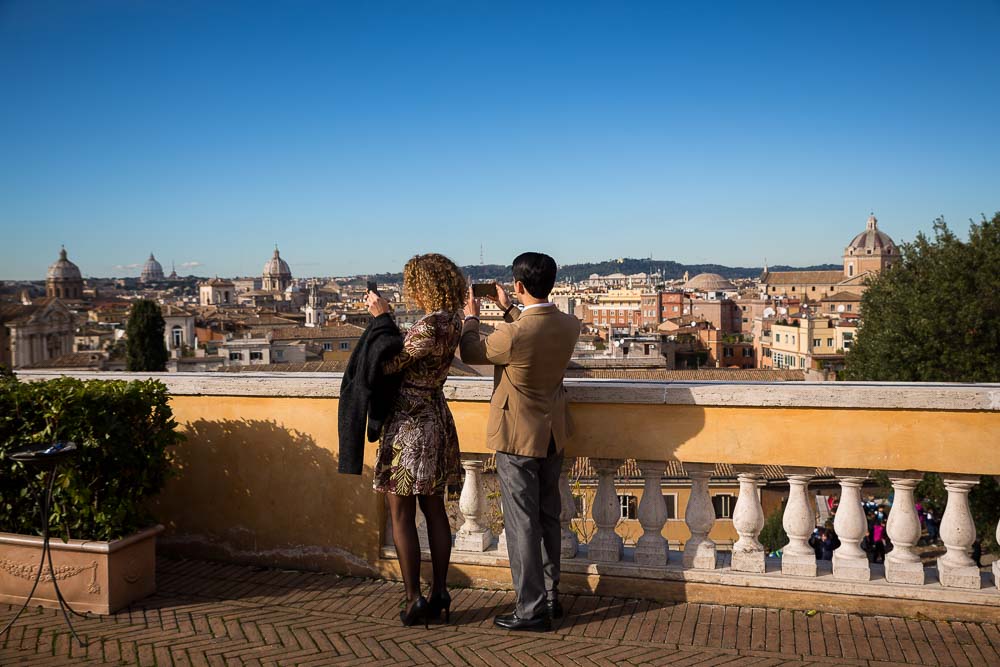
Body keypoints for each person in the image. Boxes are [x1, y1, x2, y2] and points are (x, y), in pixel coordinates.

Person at [460, 252, 580, 633]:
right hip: (552, 434)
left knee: (521, 524)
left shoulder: (512, 335)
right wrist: (511, 308)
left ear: (518, 285)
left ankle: (530, 610)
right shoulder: (570, 325)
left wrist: (471, 317)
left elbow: (472, 351)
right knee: (547, 517)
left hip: (516, 437)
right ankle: (550, 595)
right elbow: (532, 336)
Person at [366, 253, 466, 628]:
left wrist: (381, 319)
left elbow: (390, 364)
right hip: (436, 418)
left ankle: (413, 599)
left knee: (402, 514)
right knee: (435, 509)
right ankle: (440, 591)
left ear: (423, 286)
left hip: (410, 427)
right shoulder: (454, 321)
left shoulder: (428, 326)